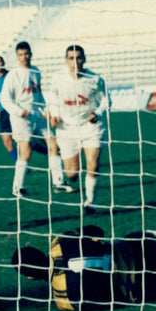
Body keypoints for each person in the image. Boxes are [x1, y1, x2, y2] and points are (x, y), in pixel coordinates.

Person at [12, 225, 156, 311]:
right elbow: (96, 229)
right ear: (39, 252)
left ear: (30, 277)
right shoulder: (59, 241)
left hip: (136, 291)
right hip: (132, 252)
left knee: (132, 287)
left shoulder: (62, 300)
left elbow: (104, 305)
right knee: (154, 238)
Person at [0, 41, 73, 197]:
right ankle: (18, 187)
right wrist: (19, 111)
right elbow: (4, 98)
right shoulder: (13, 74)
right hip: (21, 118)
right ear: (17, 56)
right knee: (25, 153)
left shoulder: (35, 71)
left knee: (53, 144)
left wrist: (46, 109)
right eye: (20, 55)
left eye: (26, 54)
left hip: (37, 115)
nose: (24, 57)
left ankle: (58, 183)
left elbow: (37, 94)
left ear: (31, 54)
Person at [46, 45, 109, 213]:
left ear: (85, 59)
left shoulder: (95, 79)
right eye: (71, 58)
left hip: (90, 127)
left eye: (79, 58)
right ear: (66, 60)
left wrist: (98, 113)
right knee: (72, 174)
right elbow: (52, 97)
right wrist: (54, 114)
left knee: (92, 164)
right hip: (66, 129)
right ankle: (72, 177)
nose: (76, 62)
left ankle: (90, 203)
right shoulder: (58, 78)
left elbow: (106, 100)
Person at [0, 54, 48, 163]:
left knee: (26, 140)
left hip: (15, 112)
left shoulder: (11, 75)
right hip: (3, 113)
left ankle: (48, 151)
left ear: (3, 63)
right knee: (7, 142)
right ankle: (21, 166)